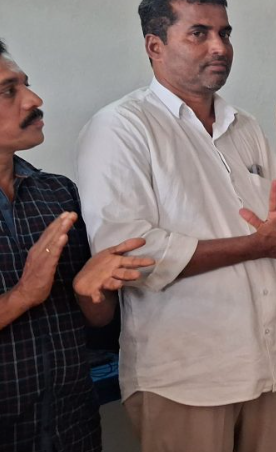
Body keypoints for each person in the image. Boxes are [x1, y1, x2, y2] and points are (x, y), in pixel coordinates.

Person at [76, 0, 276, 452]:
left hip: (267, 364)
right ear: (155, 46)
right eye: (198, 33)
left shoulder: (245, 126)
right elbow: (129, 255)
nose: (219, 47)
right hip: (188, 376)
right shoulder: (122, 127)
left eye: (225, 33)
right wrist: (259, 244)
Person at [0, 37, 154, 452]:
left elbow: (98, 320)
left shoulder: (57, 194)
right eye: (8, 91)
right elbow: (29, 294)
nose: (34, 100)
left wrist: (92, 292)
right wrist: (22, 295)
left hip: (72, 424)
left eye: (26, 84)